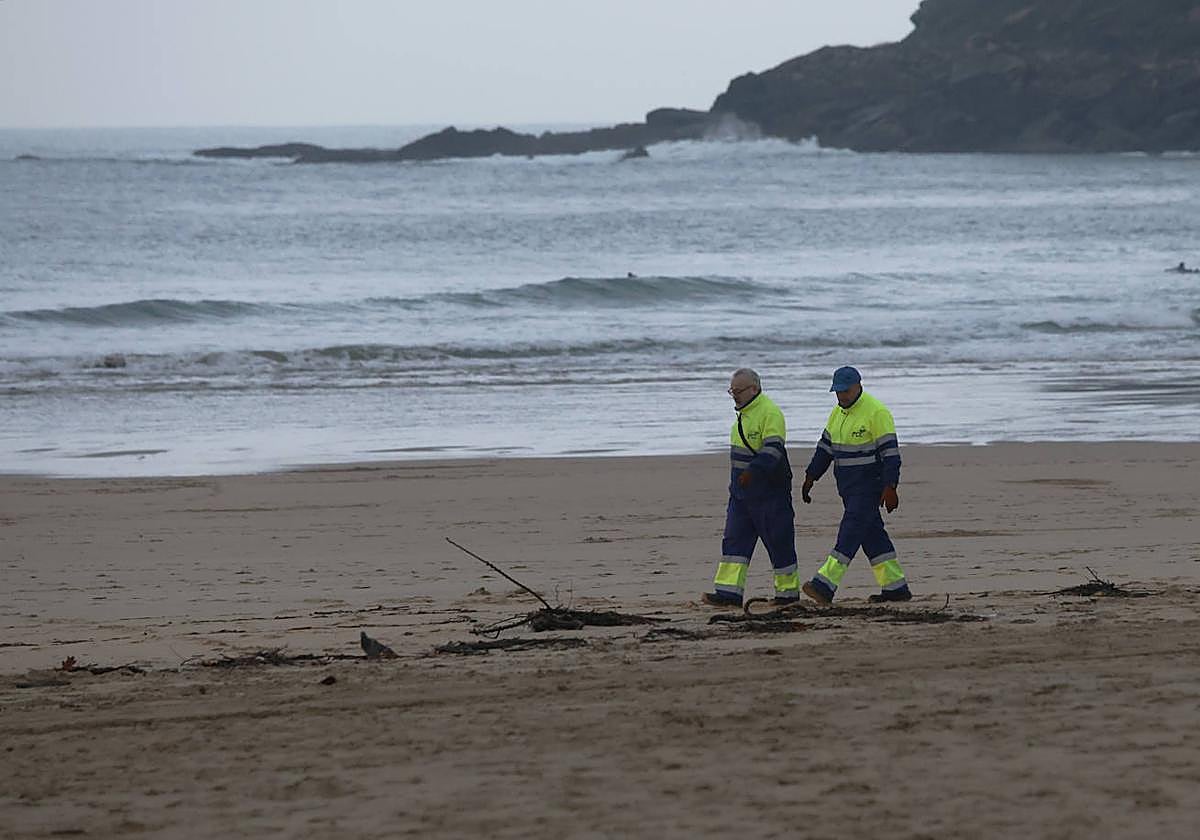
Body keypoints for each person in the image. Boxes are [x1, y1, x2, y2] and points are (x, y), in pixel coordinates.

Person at [799, 366, 913, 604]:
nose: (841, 396)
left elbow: (891, 455)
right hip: (848, 489)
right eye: (837, 392)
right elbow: (825, 449)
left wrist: (891, 486)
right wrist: (811, 476)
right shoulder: (837, 414)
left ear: (858, 385)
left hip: (869, 487)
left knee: (849, 534)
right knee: (873, 538)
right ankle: (896, 588)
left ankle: (824, 585)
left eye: (845, 391)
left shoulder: (877, 412)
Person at [702, 368, 800, 607]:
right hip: (740, 494)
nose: (734, 395)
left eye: (738, 391)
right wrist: (738, 482)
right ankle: (728, 593)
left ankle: (787, 594)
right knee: (734, 541)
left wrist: (753, 472)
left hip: (769, 492)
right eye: (731, 391)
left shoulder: (770, 413)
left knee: (778, 541)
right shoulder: (742, 415)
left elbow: (773, 450)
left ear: (754, 389)